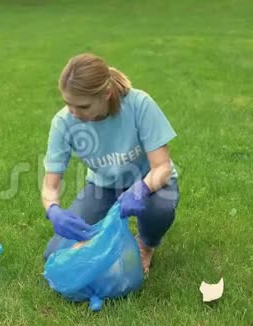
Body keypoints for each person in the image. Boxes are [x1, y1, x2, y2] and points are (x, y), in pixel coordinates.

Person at [41, 53, 180, 274]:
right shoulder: (63, 122)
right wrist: (54, 209)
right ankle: (106, 242)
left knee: (161, 208)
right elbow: (50, 185)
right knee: (55, 253)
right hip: (103, 186)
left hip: (149, 182)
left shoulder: (139, 105)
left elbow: (162, 167)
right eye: (68, 104)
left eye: (83, 106)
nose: (74, 113)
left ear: (106, 94)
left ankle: (145, 244)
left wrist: (142, 189)